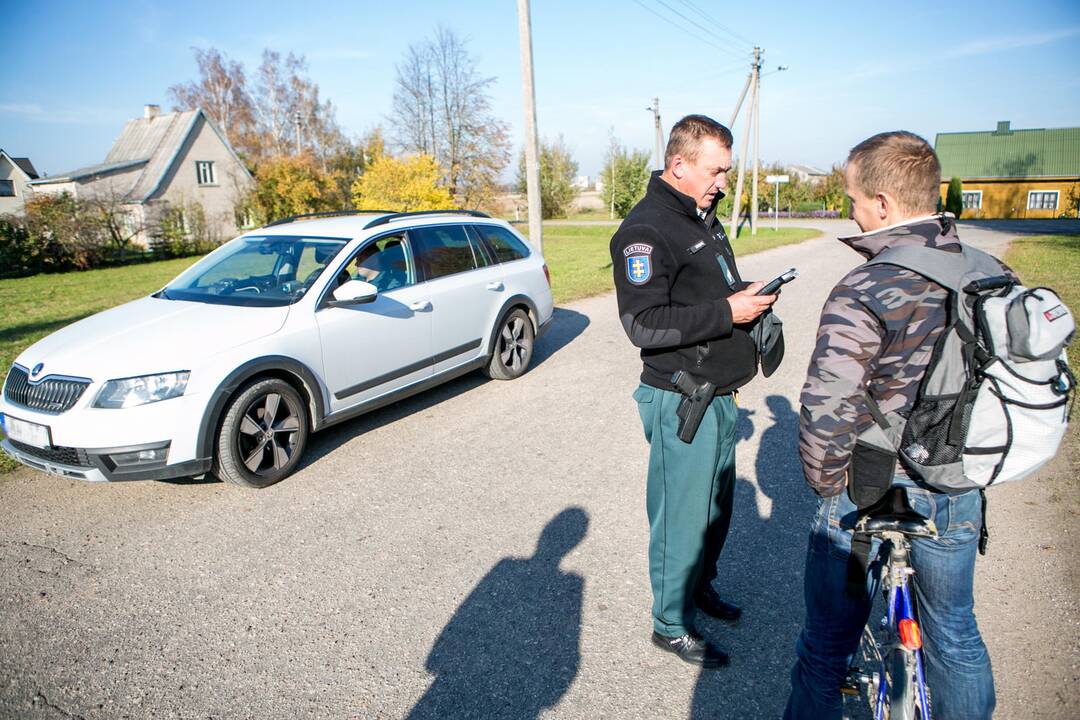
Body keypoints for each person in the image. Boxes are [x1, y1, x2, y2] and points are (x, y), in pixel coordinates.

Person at [784, 131, 996, 719]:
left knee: (826, 649)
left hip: (871, 486)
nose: (851, 211)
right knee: (953, 635)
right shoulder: (988, 272)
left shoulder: (867, 284)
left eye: (853, 199)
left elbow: (829, 401)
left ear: (881, 204)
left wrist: (829, 487)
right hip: (958, 482)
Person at [610, 114, 777, 668]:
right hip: (684, 398)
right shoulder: (645, 230)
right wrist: (729, 310)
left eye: (726, 171)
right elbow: (643, 324)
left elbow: (705, 289)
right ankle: (670, 622)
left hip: (722, 395)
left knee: (714, 509)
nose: (722, 182)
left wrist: (743, 294)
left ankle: (698, 587)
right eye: (714, 171)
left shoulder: (702, 217)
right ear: (678, 165)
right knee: (681, 515)